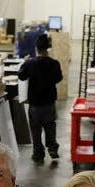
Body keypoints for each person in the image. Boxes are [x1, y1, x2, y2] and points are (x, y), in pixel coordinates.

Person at [18, 33, 63, 162]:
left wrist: (24, 63)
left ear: (36, 48)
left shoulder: (30, 63)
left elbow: (21, 76)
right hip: (49, 102)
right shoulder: (54, 63)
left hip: (35, 103)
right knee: (50, 126)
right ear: (47, 48)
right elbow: (58, 78)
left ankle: (38, 153)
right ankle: (52, 148)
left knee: (35, 129)